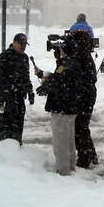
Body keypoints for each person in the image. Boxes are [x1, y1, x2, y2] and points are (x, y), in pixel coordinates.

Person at [35, 36, 82, 176]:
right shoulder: (73, 63)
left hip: (61, 108)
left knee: (61, 141)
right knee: (69, 140)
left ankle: (63, 170)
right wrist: (43, 74)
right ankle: (71, 166)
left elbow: (60, 82)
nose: (59, 50)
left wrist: (46, 86)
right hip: (69, 107)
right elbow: (60, 79)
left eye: (61, 48)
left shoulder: (66, 64)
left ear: (65, 50)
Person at [0, 33, 35, 145]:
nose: (23, 47)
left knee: (18, 127)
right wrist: (1, 96)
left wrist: (30, 91)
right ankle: (6, 153)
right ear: (14, 43)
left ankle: (17, 147)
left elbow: (26, 77)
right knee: (6, 129)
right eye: (21, 44)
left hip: (19, 98)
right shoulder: (3, 58)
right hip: (6, 100)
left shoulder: (24, 58)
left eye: (25, 45)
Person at [70, 30, 99, 168]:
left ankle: (85, 157)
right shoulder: (84, 55)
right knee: (82, 126)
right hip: (87, 95)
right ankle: (90, 154)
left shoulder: (80, 56)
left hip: (84, 96)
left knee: (80, 127)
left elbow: (78, 77)